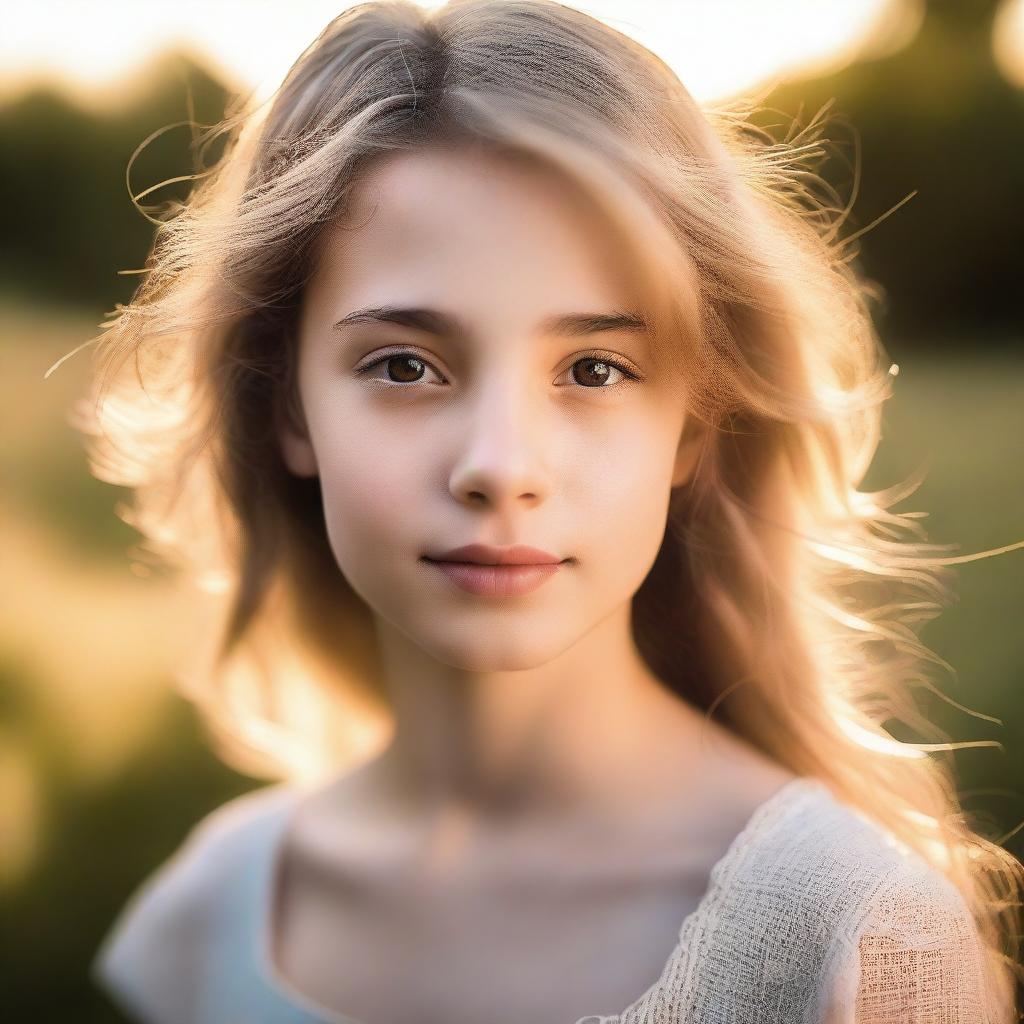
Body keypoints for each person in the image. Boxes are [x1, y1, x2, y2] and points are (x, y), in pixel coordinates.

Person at [69, 1, 1022, 1021]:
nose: (500, 467)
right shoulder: (203, 920)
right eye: (404, 365)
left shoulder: (855, 940)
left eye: (595, 367)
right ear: (287, 406)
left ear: (693, 428)